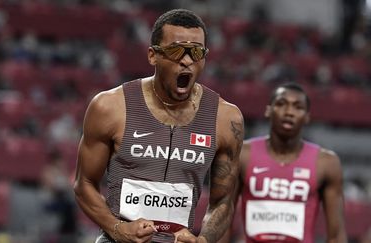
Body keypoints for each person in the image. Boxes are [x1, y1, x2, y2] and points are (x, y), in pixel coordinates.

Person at [73, 9, 244, 243]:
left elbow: (223, 202)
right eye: (176, 51)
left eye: (196, 52)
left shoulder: (225, 118)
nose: (186, 60)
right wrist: (117, 228)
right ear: (153, 56)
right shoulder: (110, 107)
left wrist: (203, 240)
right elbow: (84, 184)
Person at [222, 82, 347, 242]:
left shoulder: (326, 163)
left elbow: (336, 235)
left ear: (307, 116)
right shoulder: (242, 154)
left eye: (298, 107)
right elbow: (223, 220)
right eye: (281, 104)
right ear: (268, 110)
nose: (289, 112)